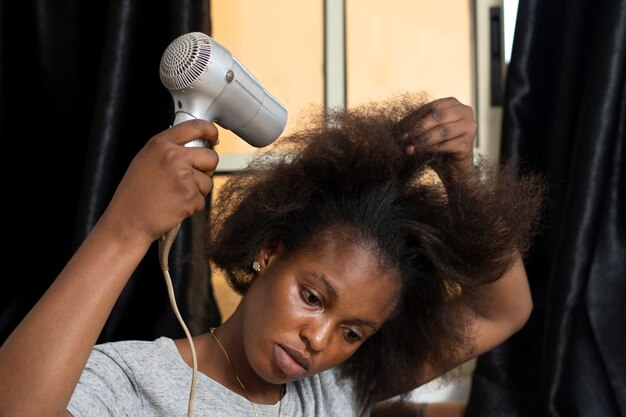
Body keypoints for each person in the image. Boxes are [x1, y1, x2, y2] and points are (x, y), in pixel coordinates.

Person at [0, 94, 545, 417]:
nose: (320, 339)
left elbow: (499, 309)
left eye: (353, 332)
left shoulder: (335, 391)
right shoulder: (128, 381)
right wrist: (124, 230)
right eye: (312, 297)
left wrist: (462, 177)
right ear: (269, 250)